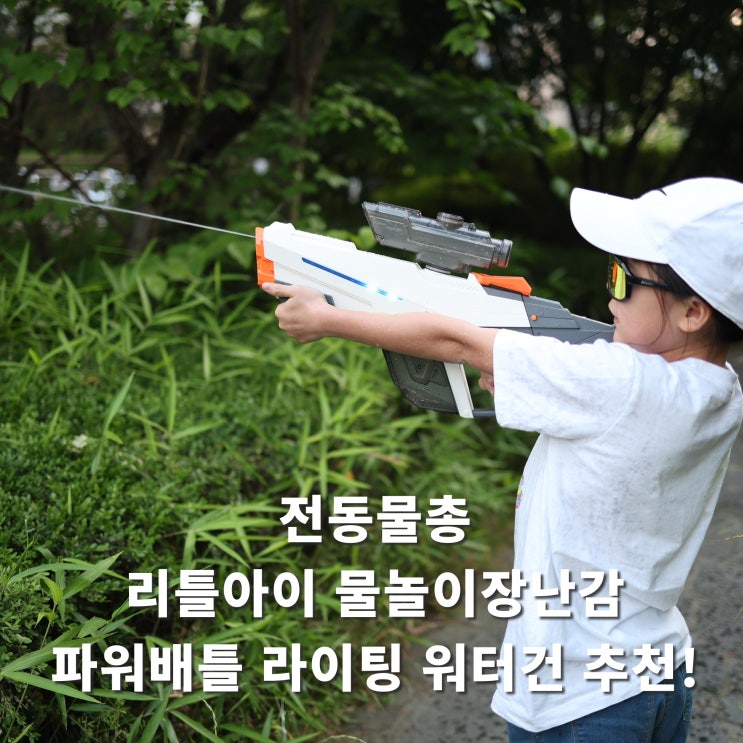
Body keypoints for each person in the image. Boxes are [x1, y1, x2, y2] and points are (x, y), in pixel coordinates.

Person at [262, 177, 743, 741]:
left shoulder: (618, 383)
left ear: (693, 312)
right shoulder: (720, 389)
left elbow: (456, 340)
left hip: (580, 694)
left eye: (623, 278)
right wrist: (530, 377)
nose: (611, 296)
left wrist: (328, 320)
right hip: (656, 666)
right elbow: (617, 433)